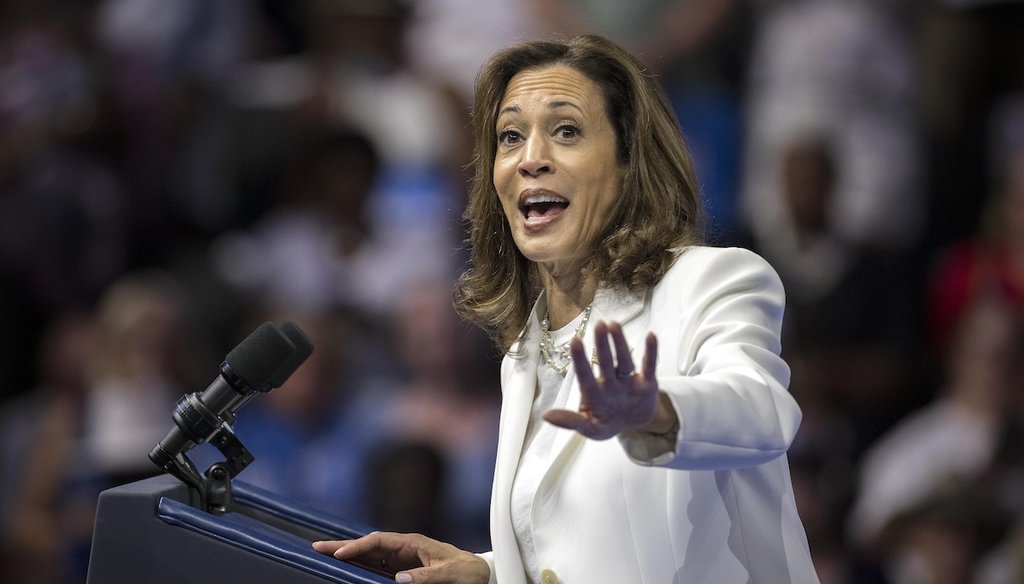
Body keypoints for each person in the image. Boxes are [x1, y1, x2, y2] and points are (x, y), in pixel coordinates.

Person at [313, 33, 819, 584]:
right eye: (510, 137)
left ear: (629, 161)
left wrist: (655, 410)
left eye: (567, 131)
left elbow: (763, 413)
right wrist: (489, 571)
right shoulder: (524, 352)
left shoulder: (709, 281)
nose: (531, 159)